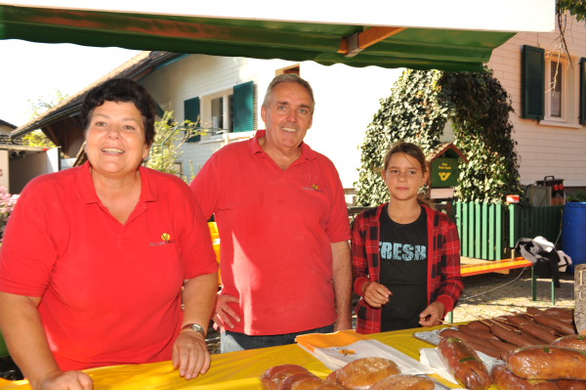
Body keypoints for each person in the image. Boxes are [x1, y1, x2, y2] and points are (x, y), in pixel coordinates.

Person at [0, 78, 219, 390]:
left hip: (167, 372)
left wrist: (193, 330)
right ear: (86, 138)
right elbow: (17, 299)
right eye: (101, 123)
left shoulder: (175, 194)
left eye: (129, 126)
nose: (113, 134)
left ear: (146, 147)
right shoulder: (45, 198)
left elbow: (202, 272)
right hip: (73, 379)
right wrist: (45, 376)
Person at [190, 73, 352, 352]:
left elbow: (339, 247)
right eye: (282, 107)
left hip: (318, 329)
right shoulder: (226, 162)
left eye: (302, 110)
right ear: (264, 113)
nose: (292, 118)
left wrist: (345, 319)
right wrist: (206, 298)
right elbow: (183, 229)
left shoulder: (324, 169)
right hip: (246, 332)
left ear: (310, 120)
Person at [351, 142, 463, 334]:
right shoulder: (364, 222)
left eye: (411, 172)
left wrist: (441, 306)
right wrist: (365, 286)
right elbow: (354, 273)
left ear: (424, 177)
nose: (402, 178)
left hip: (424, 331)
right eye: (395, 171)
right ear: (384, 176)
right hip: (372, 329)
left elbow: (453, 280)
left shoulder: (443, 225)